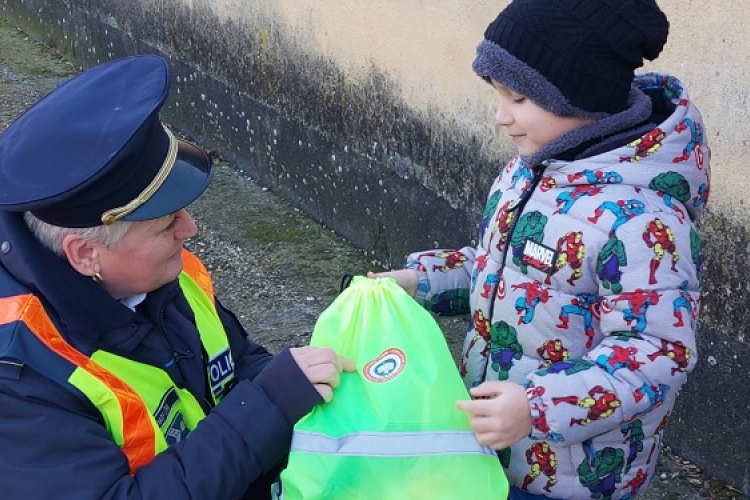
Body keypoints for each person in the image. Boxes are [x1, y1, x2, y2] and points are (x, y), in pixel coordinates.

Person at [370, 0, 710, 499]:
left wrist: (535, 407)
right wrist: (419, 282)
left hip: (574, 477)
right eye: (498, 96)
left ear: (581, 97)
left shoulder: (645, 220)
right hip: (492, 446)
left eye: (519, 99)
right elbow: (498, 269)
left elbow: (656, 353)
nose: (500, 117)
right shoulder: (529, 170)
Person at [0, 55, 354, 499]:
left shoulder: (156, 269)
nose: (190, 230)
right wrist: (269, 407)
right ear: (86, 254)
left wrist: (311, 389)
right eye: (166, 223)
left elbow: (234, 361)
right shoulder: (18, 377)